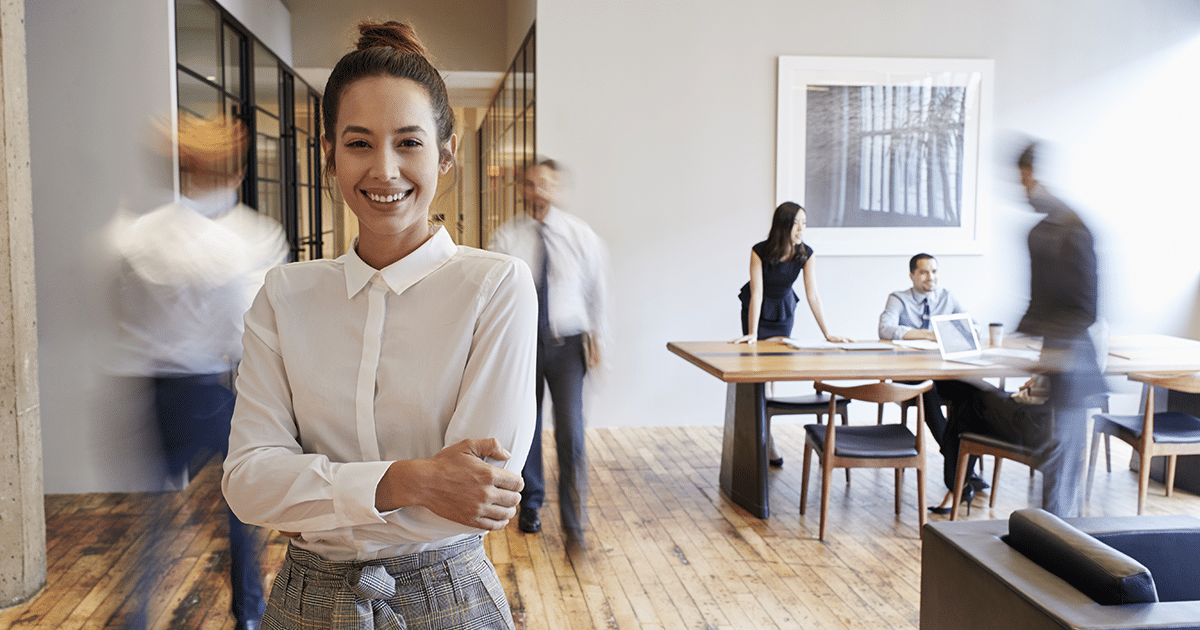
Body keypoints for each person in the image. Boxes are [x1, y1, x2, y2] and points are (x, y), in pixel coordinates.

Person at [222, 21, 537, 630]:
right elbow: (248, 483)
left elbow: (478, 498)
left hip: (448, 596)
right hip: (306, 600)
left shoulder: (495, 286)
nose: (385, 170)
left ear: (445, 153)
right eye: (360, 143)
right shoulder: (284, 294)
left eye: (409, 143)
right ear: (329, 155)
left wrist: (312, 498)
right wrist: (413, 479)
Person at [111, 114, 286, 630]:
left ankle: (139, 613)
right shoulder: (251, 240)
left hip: (154, 391)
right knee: (240, 509)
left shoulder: (137, 235)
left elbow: (124, 314)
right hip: (213, 387)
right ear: (235, 174)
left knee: (153, 517)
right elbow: (248, 330)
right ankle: (250, 612)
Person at [487, 158, 608, 550]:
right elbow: (494, 296)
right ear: (522, 189)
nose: (539, 191)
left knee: (572, 432)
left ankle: (575, 521)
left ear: (557, 190)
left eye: (547, 184)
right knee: (528, 428)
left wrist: (599, 340)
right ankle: (531, 505)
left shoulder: (580, 235)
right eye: (532, 184)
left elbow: (596, 291)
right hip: (523, 345)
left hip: (568, 344)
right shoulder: (506, 238)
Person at [1012, 141, 1104, 517]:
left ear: (1035, 175)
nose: (1023, 191)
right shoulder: (1040, 232)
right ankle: (1049, 538)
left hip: (1074, 359)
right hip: (1055, 355)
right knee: (1055, 457)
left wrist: (1055, 351)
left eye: (1023, 182)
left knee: (1062, 460)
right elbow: (1040, 301)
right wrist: (1020, 338)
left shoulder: (1073, 229)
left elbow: (1086, 307)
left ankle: (1057, 544)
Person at [731, 201, 848, 466]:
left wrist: (828, 333)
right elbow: (757, 292)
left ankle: (766, 436)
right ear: (783, 225)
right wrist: (751, 334)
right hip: (757, 311)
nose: (801, 229)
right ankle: (765, 439)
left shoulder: (806, 254)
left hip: (783, 311)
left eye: (804, 223)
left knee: (772, 374)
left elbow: (812, 295)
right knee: (758, 375)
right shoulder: (759, 251)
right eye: (797, 223)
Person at [878, 253, 990, 496]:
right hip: (909, 372)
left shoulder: (947, 297)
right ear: (912, 275)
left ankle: (960, 465)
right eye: (924, 272)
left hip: (943, 370)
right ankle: (958, 462)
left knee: (977, 392)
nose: (931, 277)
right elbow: (886, 329)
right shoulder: (899, 298)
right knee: (927, 392)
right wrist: (928, 334)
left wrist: (955, 330)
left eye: (934, 271)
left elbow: (974, 326)